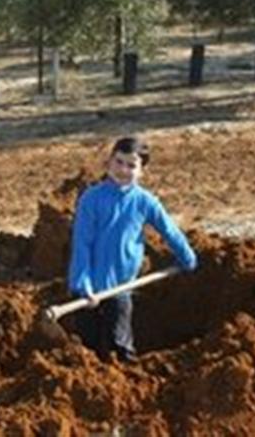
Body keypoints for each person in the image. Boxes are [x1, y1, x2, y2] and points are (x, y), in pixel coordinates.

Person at [67, 137, 197, 362]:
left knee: (121, 346)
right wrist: (83, 283)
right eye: (119, 162)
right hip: (86, 290)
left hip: (121, 286)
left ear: (142, 171)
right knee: (89, 349)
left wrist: (187, 256)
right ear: (109, 162)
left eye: (131, 165)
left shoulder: (145, 202)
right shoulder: (91, 199)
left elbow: (169, 230)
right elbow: (82, 243)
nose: (123, 170)